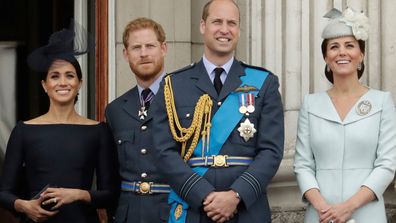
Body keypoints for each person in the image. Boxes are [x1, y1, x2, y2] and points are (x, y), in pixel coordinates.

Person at [151, 0, 284, 222]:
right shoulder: (173, 85)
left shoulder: (264, 83)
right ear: (203, 26)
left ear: (239, 30)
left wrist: (236, 195)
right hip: (194, 207)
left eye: (232, 23)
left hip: (246, 209)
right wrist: (203, 194)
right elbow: (163, 151)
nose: (225, 29)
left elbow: (271, 151)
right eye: (217, 22)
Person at [0, 22, 119, 223]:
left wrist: (79, 194)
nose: (62, 82)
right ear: (45, 85)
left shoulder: (98, 131)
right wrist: (24, 206)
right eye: (55, 76)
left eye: (69, 75)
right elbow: (4, 193)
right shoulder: (24, 130)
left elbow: (111, 193)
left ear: (79, 83)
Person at [294, 8, 396, 223]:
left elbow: (387, 164)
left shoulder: (382, 102)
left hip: (366, 213)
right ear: (326, 57)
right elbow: (303, 165)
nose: (342, 52)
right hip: (320, 215)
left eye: (350, 45)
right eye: (334, 47)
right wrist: (325, 209)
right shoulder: (310, 104)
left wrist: (348, 208)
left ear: (361, 55)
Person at [105, 17, 170, 222]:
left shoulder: (185, 98)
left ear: (163, 48)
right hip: (129, 215)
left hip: (173, 212)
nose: (143, 53)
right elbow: (112, 175)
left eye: (150, 46)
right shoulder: (115, 110)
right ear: (126, 54)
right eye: (136, 47)